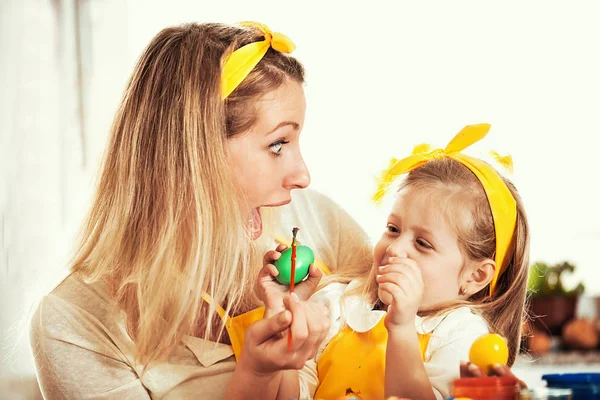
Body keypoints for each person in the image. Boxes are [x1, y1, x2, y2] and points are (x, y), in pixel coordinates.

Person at [29, 21, 372, 400]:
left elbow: (434, 331)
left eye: (296, 141)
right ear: (193, 152)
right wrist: (258, 374)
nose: (302, 176)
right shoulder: (75, 324)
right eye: (277, 144)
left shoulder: (313, 219)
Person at [259, 124, 531, 400]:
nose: (395, 248)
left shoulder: (461, 332)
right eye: (393, 229)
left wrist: (401, 327)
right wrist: (284, 325)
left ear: (474, 276)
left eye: (423, 243)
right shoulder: (337, 304)